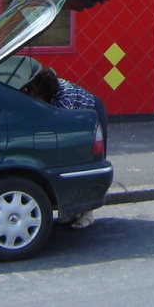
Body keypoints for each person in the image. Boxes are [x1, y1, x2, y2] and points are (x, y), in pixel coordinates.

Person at [20, 67, 107, 230]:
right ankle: (72, 211)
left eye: (37, 95)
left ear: (47, 93)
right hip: (77, 118)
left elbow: (59, 125)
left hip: (91, 115)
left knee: (86, 162)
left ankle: (88, 214)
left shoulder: (64, 97)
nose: (34, 98)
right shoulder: (43, 90)